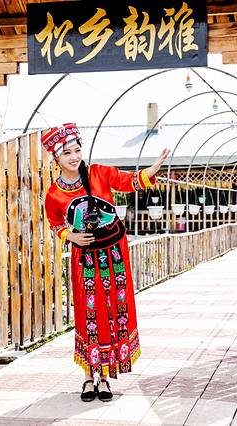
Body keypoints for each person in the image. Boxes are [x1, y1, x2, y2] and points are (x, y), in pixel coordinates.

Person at [42, 123, 169, 402]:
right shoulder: (54, 194)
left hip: (114, 257)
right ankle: (89, 376)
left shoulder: (98, 173)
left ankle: (106, 377)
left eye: (77, 150)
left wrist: (152, 169)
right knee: (89, 314)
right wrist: (71, 235)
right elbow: (55, 223)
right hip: (85, 260)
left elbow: (129, 181)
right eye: (66, 153)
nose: (74, 157)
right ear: (56, 158)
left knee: (113, 311)